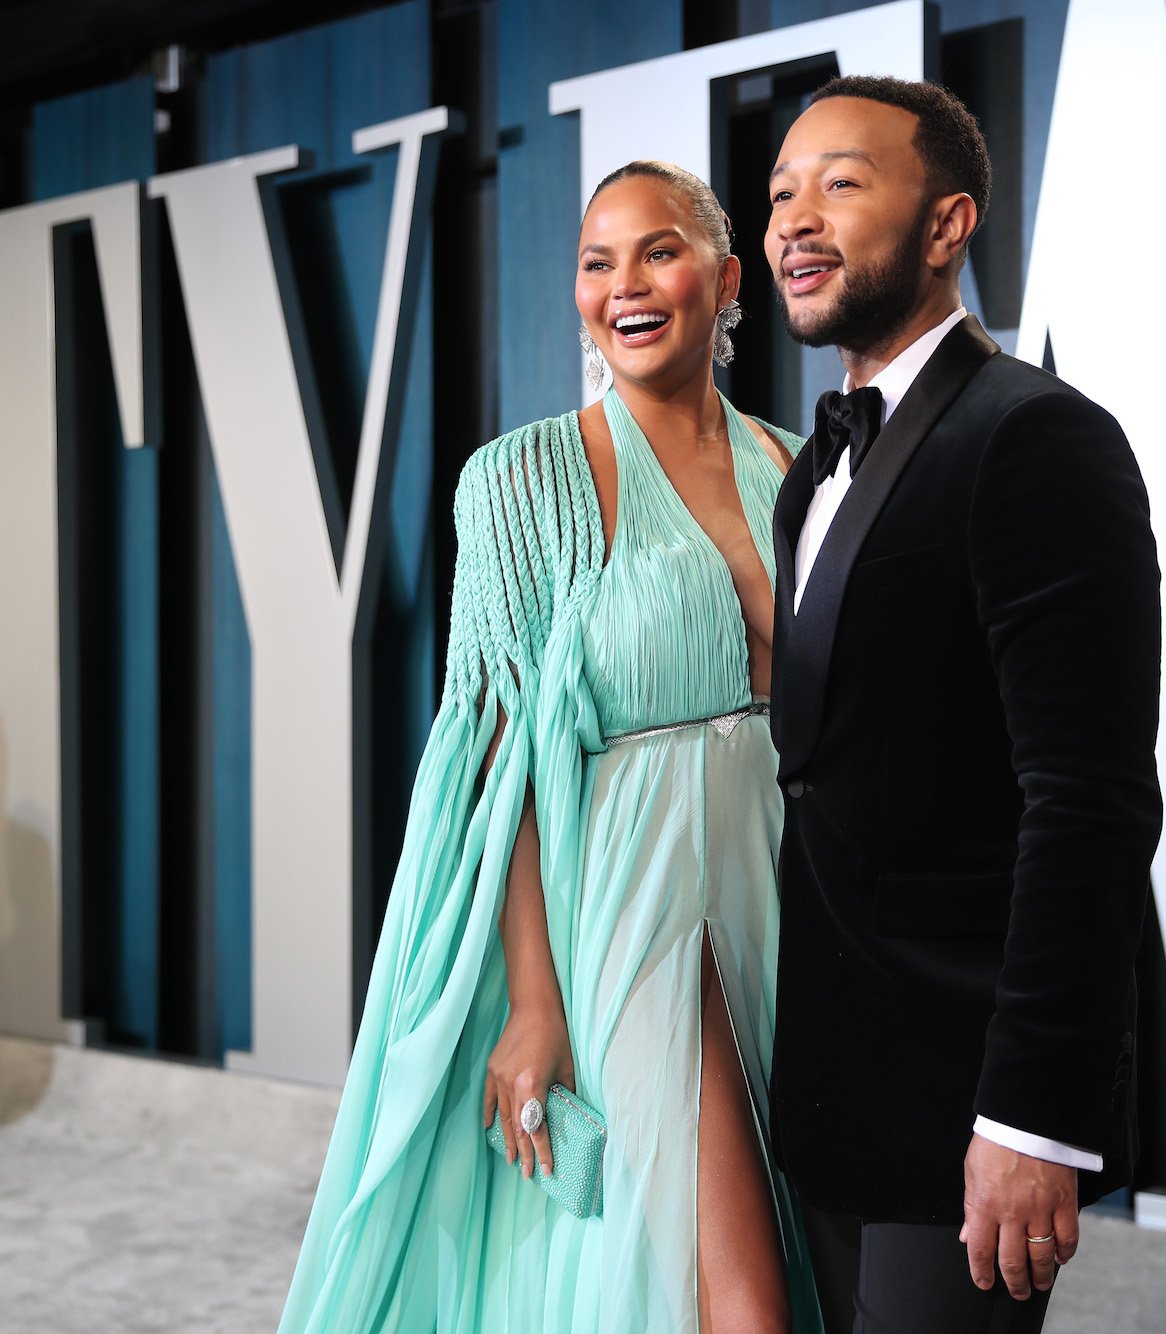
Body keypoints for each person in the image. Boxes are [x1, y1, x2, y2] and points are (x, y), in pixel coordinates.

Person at [279, 160, 821, 1333]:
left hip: (795, 891)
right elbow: (497, 765)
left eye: (658, 251)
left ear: (727, 280)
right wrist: (535, 996)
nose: (623, 284)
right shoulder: (519, 481)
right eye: (595, 261)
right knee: (737, 1294)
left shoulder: (799, 466)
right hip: (633, 904)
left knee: (791, 1243)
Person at [763, 77, 1163, 1333]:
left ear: (946, 225)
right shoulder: (812, 469)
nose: (794, 220)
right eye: (779, 194)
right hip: (832, 1089)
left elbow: (1086, 803)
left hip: (968, 1100)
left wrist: (1031, 1113)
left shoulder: (1035, 439)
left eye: (840, 182)